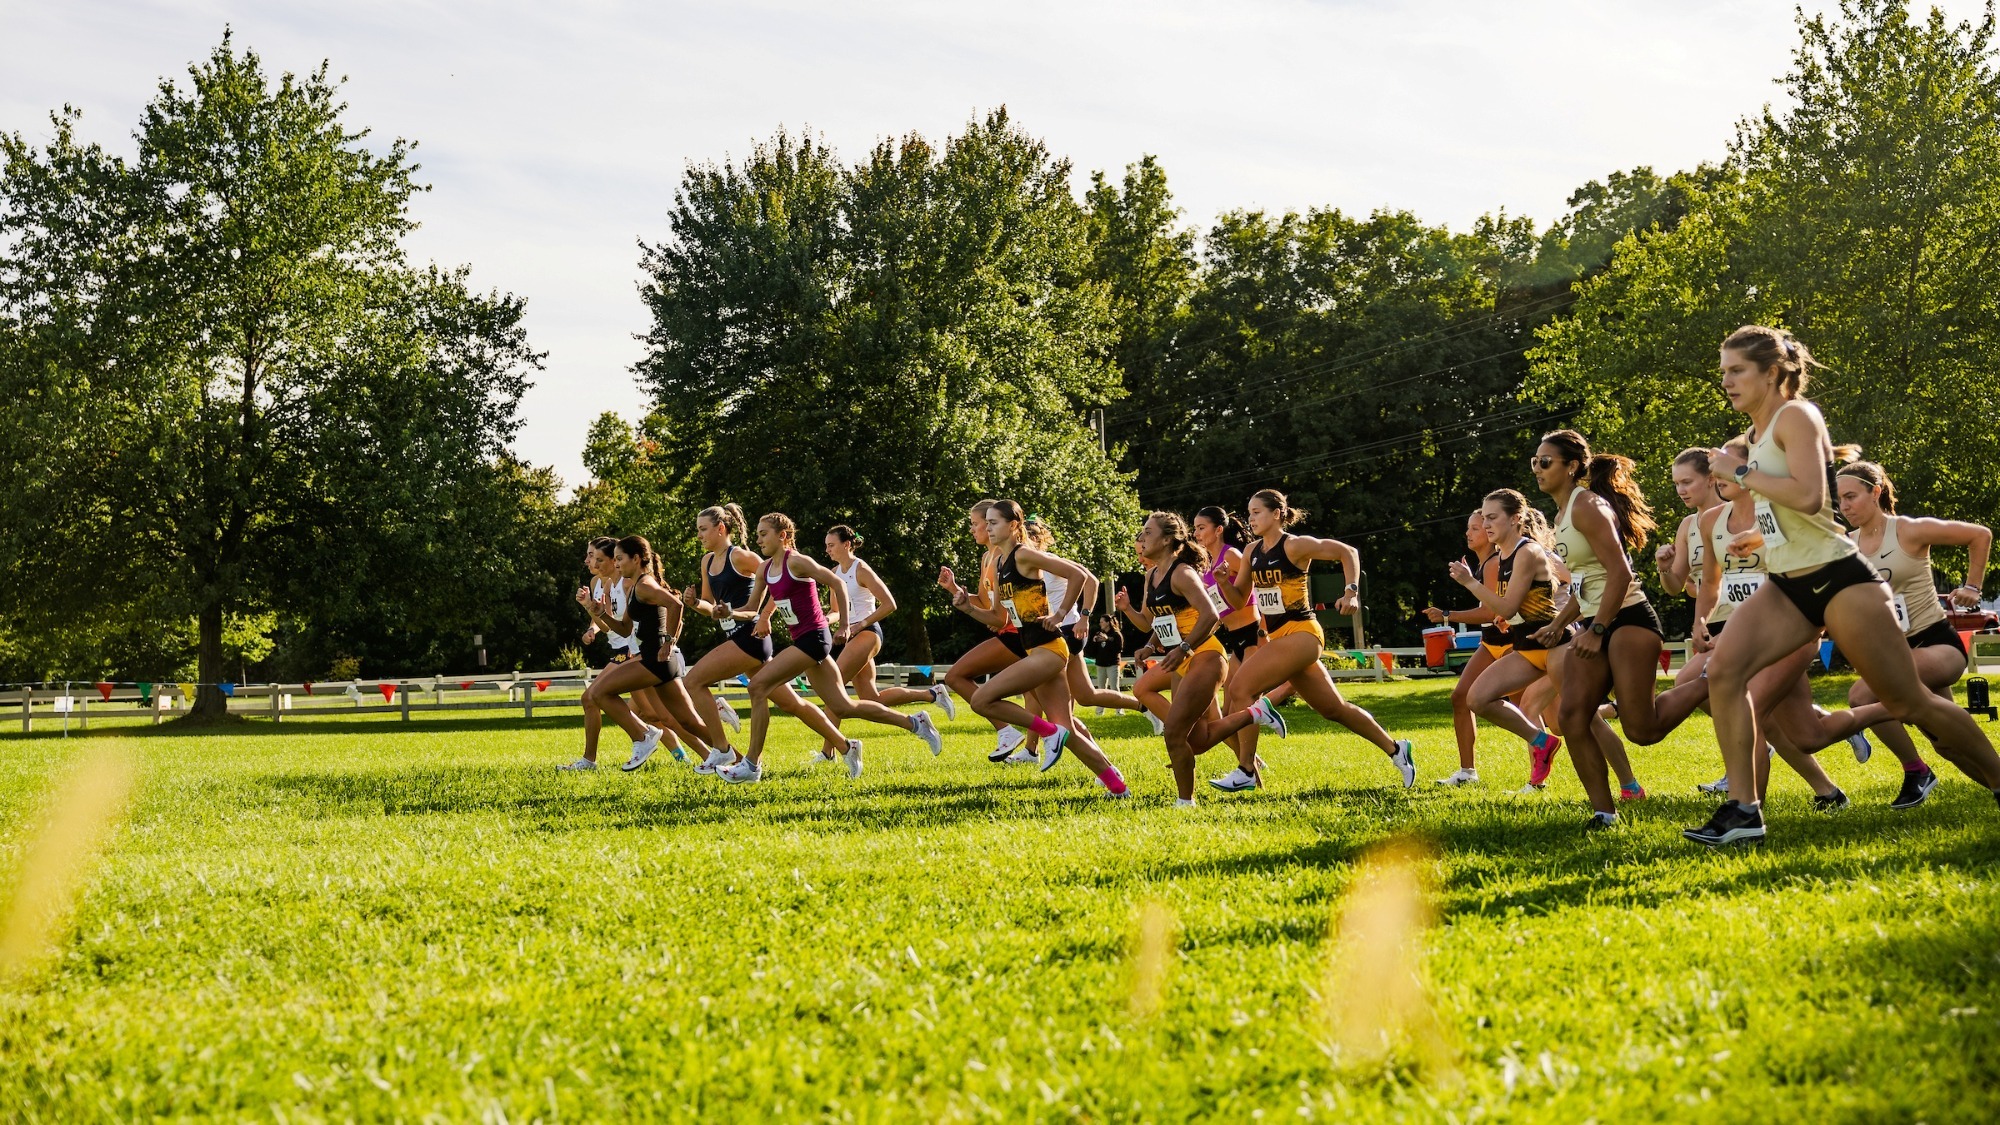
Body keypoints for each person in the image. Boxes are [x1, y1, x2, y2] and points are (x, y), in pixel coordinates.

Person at [1690, 326, 2000, 847]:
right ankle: (1743, 809)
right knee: (1723, 672)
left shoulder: (1796, 415)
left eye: (1736, 370)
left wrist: (1739, 472)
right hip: (1789, 583)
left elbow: (1811, 496)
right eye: (1722, 371)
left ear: (1771, 372)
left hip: (1839, 579)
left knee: (1909, 702)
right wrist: (1760, 542)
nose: (1726, 380)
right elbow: (1794, 518)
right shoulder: (1759, 433)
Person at [1207, 489, 1417, 790]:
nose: (1251, 518)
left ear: (1277, 513)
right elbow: (1239, 600)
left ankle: (1246, 770)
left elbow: (1349, 553)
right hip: (1281, 639)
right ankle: (1397, 750)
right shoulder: (1252, 552)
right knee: (1334, 709)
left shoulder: (1295, 546)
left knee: (1241, 689)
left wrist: (1351, 591)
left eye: (1257, 512)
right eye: (1249, 512)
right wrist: (1225, 582)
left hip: (1304, 633)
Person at [721, 513, 945, 783]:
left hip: (814, 638)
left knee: (757, 686)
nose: (758, 540)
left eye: (763, 534)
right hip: (802, 640)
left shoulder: (799, 562)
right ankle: (913, 723)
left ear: (782, 536)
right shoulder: (764, 570)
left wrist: (846, 626)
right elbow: (750, 610)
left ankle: (751, 765)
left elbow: (837, 583)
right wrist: (728, 612)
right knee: (843, 706)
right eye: (757, 534)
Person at [1837, 460, 1995, 808]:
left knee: (1862, 696)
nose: (1844, 506)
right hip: (1894, 652)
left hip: (1937, 645)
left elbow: (1979, 534)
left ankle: (1915, 771)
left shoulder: (1907, 530)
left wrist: (1972, 585)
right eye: (1840, 500)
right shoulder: (1845, 545)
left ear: (1875, 492)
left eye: (1851, 497)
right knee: (1949, 743)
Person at [1539, 430, 1672, 827]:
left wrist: (1596, 630)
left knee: (1641, 729)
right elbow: (1587, 580)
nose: (1538, 469)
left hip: (1629, 619)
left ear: (1572, 467)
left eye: (1546, 461)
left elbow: (1620, 572)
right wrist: (1560, 623)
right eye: (1535, 461)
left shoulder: (1587, 507)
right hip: (1596, 622)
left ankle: (1705, 682)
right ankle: (1604, 812)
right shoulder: (1562, 515)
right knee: (1572, 717)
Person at [953, 500, 1131, 796]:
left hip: (1049, 649)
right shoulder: (999, 564)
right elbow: (999, 617)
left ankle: (1049, 733)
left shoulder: (1025, 555)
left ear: (1013, 526)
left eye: (994, 522)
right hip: (1034, 650)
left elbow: (1081, 576)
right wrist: (967, 608)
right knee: (1068, 729)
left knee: (981, 700)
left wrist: (1061, 614)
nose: (987, 528)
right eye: (987, 523)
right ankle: (1117, 785)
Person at [677, 504, 840, 774]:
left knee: (693, 681)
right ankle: (845, 745)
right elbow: (710, 607)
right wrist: (695, 603)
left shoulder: (741, 556)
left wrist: (764, 615)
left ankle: (722, 749)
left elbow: (778, 579)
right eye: (698, 530)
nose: (699, 535)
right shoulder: (707, 561)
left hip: (750, 637)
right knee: (791, 703)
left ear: (720, 529)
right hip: (734, 634)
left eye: (703, 529)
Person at [577, 536, 718, 771]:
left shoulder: (641, 585)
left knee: (597, 693)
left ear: (635, 559)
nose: (617, 564)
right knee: (680, 720)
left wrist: (669, 642)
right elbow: (624, 628)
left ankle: (642, 737)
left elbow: (677, 605)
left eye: (619, 559)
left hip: (652, 659)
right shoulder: (630, 585)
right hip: (653, 659)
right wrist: (599, 613)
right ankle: (730, 756)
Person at [824, 524, 956, 719]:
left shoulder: (861, 570)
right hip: (852, 636)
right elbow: (836, 611)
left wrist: (860, 624)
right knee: (872, 699)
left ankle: (830, 750)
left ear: (847, 545)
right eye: (826, 546)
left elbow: (889, 604)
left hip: (868, 632)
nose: (827, 550)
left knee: (833, 688)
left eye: (831, 545)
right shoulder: (834, 572)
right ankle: (932, 694)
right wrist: (823, 621)